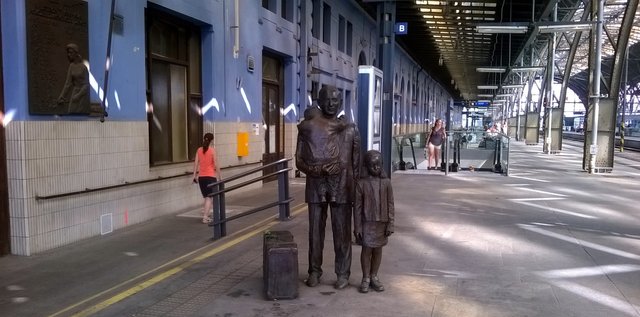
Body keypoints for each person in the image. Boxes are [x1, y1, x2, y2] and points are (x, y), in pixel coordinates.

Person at [296, 86, 360, 289]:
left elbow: (356, 164)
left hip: (341, 186)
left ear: (341, 103)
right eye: (328, 100)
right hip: (316, 184)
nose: (332, 104)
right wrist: (313, 170)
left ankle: (343, 273)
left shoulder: (350, 129)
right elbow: (298, 159)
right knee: (315, 232)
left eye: (336, 100)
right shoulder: (307, 127)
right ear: (319, 102)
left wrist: (356, 189)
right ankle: (314, 271)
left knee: (342, 233)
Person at [353, 150, 394, 293]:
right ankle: (365, 277)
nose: (376, 168)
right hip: (366, 222)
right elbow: (357, 208)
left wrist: (390, 223)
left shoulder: (386, 183)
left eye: (378, 165)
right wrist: (357, 227)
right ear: (366, 166)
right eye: (372, 165)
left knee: (378, 250)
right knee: (366, 250)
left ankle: (374, 276)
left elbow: (390, 204)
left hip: (381, 223)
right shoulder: (361, 184)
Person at [297, 106, 347, 202]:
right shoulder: (328, 124)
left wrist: (313, 169)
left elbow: (299, 159)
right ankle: (333, 195)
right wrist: (343, 119)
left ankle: (322, 195)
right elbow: (341, 124)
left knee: (320, 181)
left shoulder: (303, 127)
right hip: (330, 161)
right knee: (333, 178)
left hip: (314, 163)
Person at [192, 133, 222, 224]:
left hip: (201, 177)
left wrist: (194, 176)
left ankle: (206, 214)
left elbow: (196, 164)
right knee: (209, 198)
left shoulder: (199, 150)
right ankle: (205, 217)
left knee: (206, 197)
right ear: (212, 140)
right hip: (210, 177)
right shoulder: (212, 151)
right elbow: (216, 165)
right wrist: (220, 177)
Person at [57, 43, 90, 114]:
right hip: (75, 92)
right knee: (71, 112)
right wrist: (62, 97)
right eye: (68, 53)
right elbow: (67, 84)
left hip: (82, 95)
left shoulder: (83, 67)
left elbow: (86, 85)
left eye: (71, 53)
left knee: (79, 114)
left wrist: (78, 95)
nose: (69, 55)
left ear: (76, 53)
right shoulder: (71, 66)